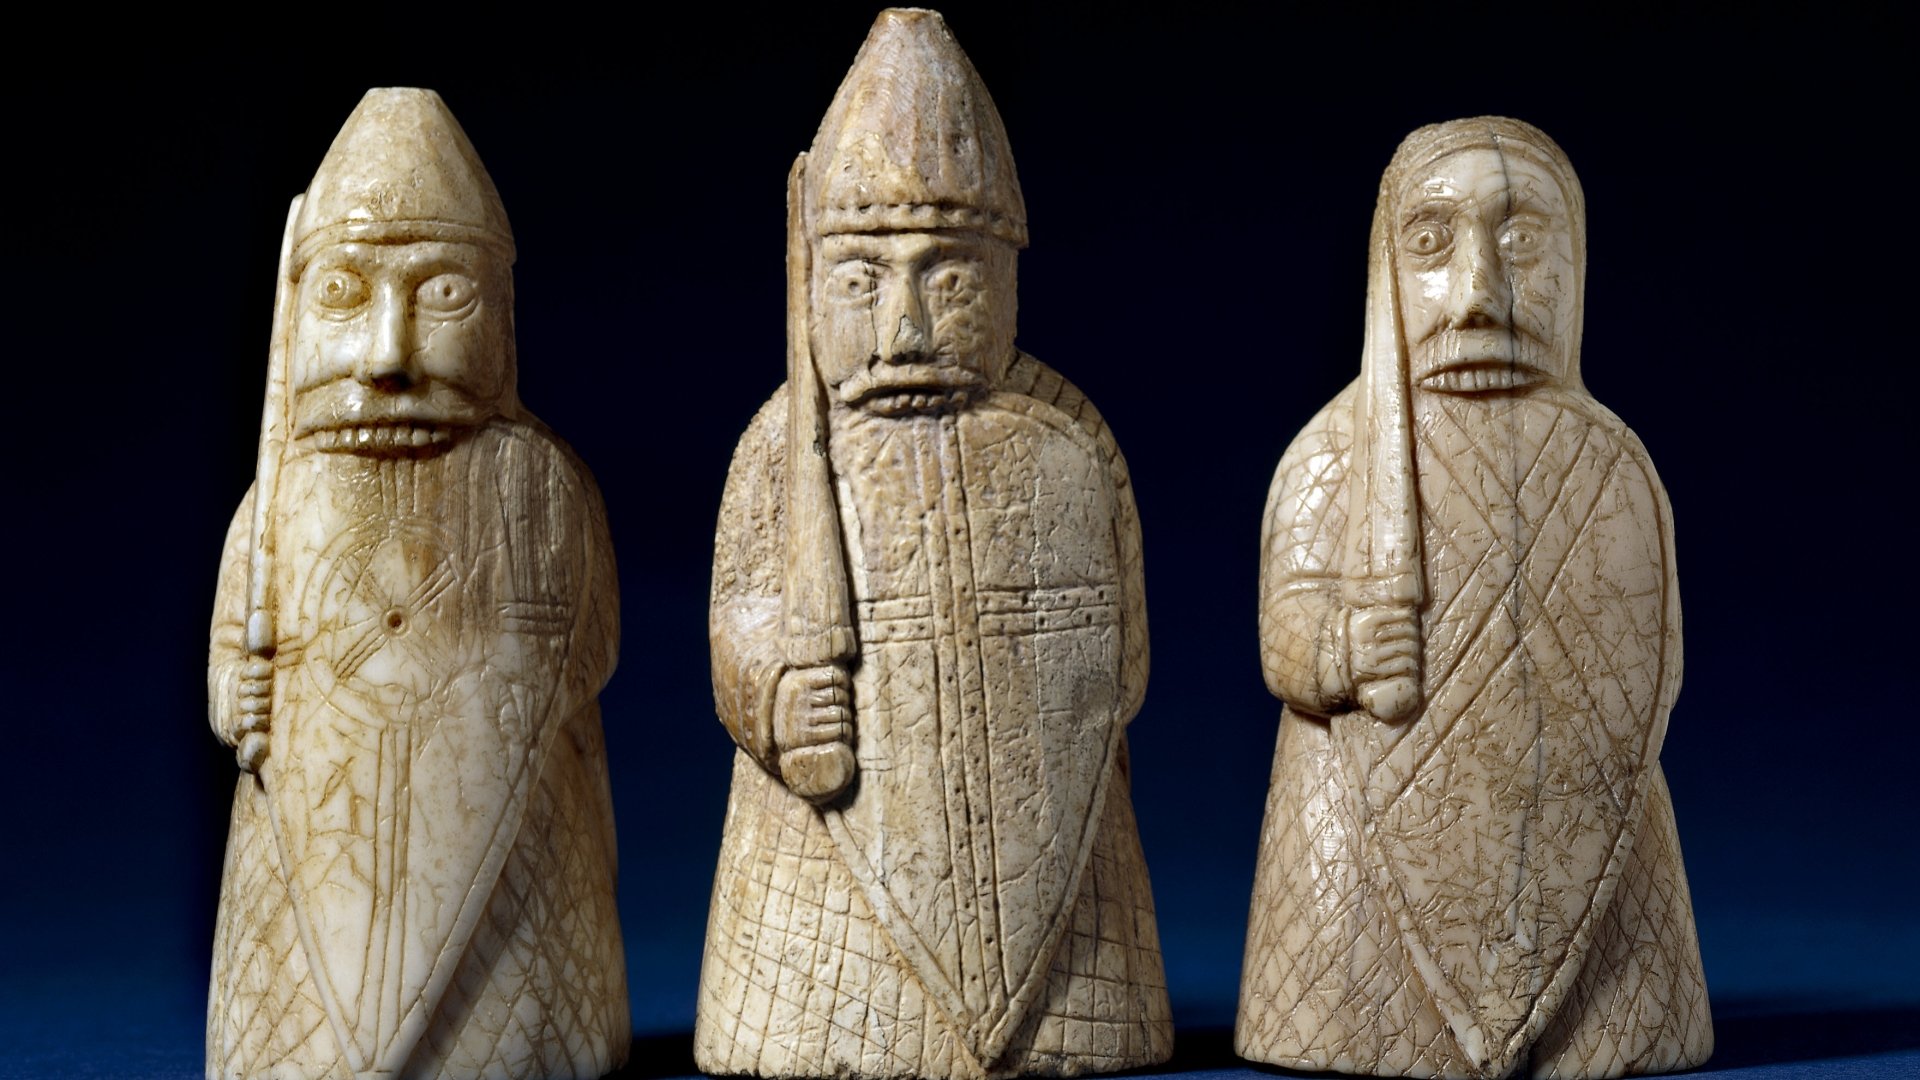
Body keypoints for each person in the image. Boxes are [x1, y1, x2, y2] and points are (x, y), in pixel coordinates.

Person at [697, 12, 1171, 1079]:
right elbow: (738, 612)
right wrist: (772, 698)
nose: (905, 325)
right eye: (862, 280)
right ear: (813, 278)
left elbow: (1121, 670)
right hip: (819, 896)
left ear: (1006, 278)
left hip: (1060, 884)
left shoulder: (1071, 442)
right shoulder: (781, 444)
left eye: (948, 280)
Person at [1236, 116, 1713, 1080]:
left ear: (1574, 264)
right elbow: (1285, 630)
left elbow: (1649, 668)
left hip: (1592, 849)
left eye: (1522, 239)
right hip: (1355, 852)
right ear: (1386, 271)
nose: (1479, 296)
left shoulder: (1615, 466)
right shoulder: (1334, 454)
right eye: (1431, 243)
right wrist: (1339, 654)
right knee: (1341, 984)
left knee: (1617, 956)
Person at [205, 88, 627, 1080]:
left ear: (501, 309)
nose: (388, 356)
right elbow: (234, 650)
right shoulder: (281, 497)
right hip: (309, 862)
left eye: (442, 295)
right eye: (347, 293)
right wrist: (237, 694)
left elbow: (591, 647)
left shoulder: (540, 484)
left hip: (512, 866)